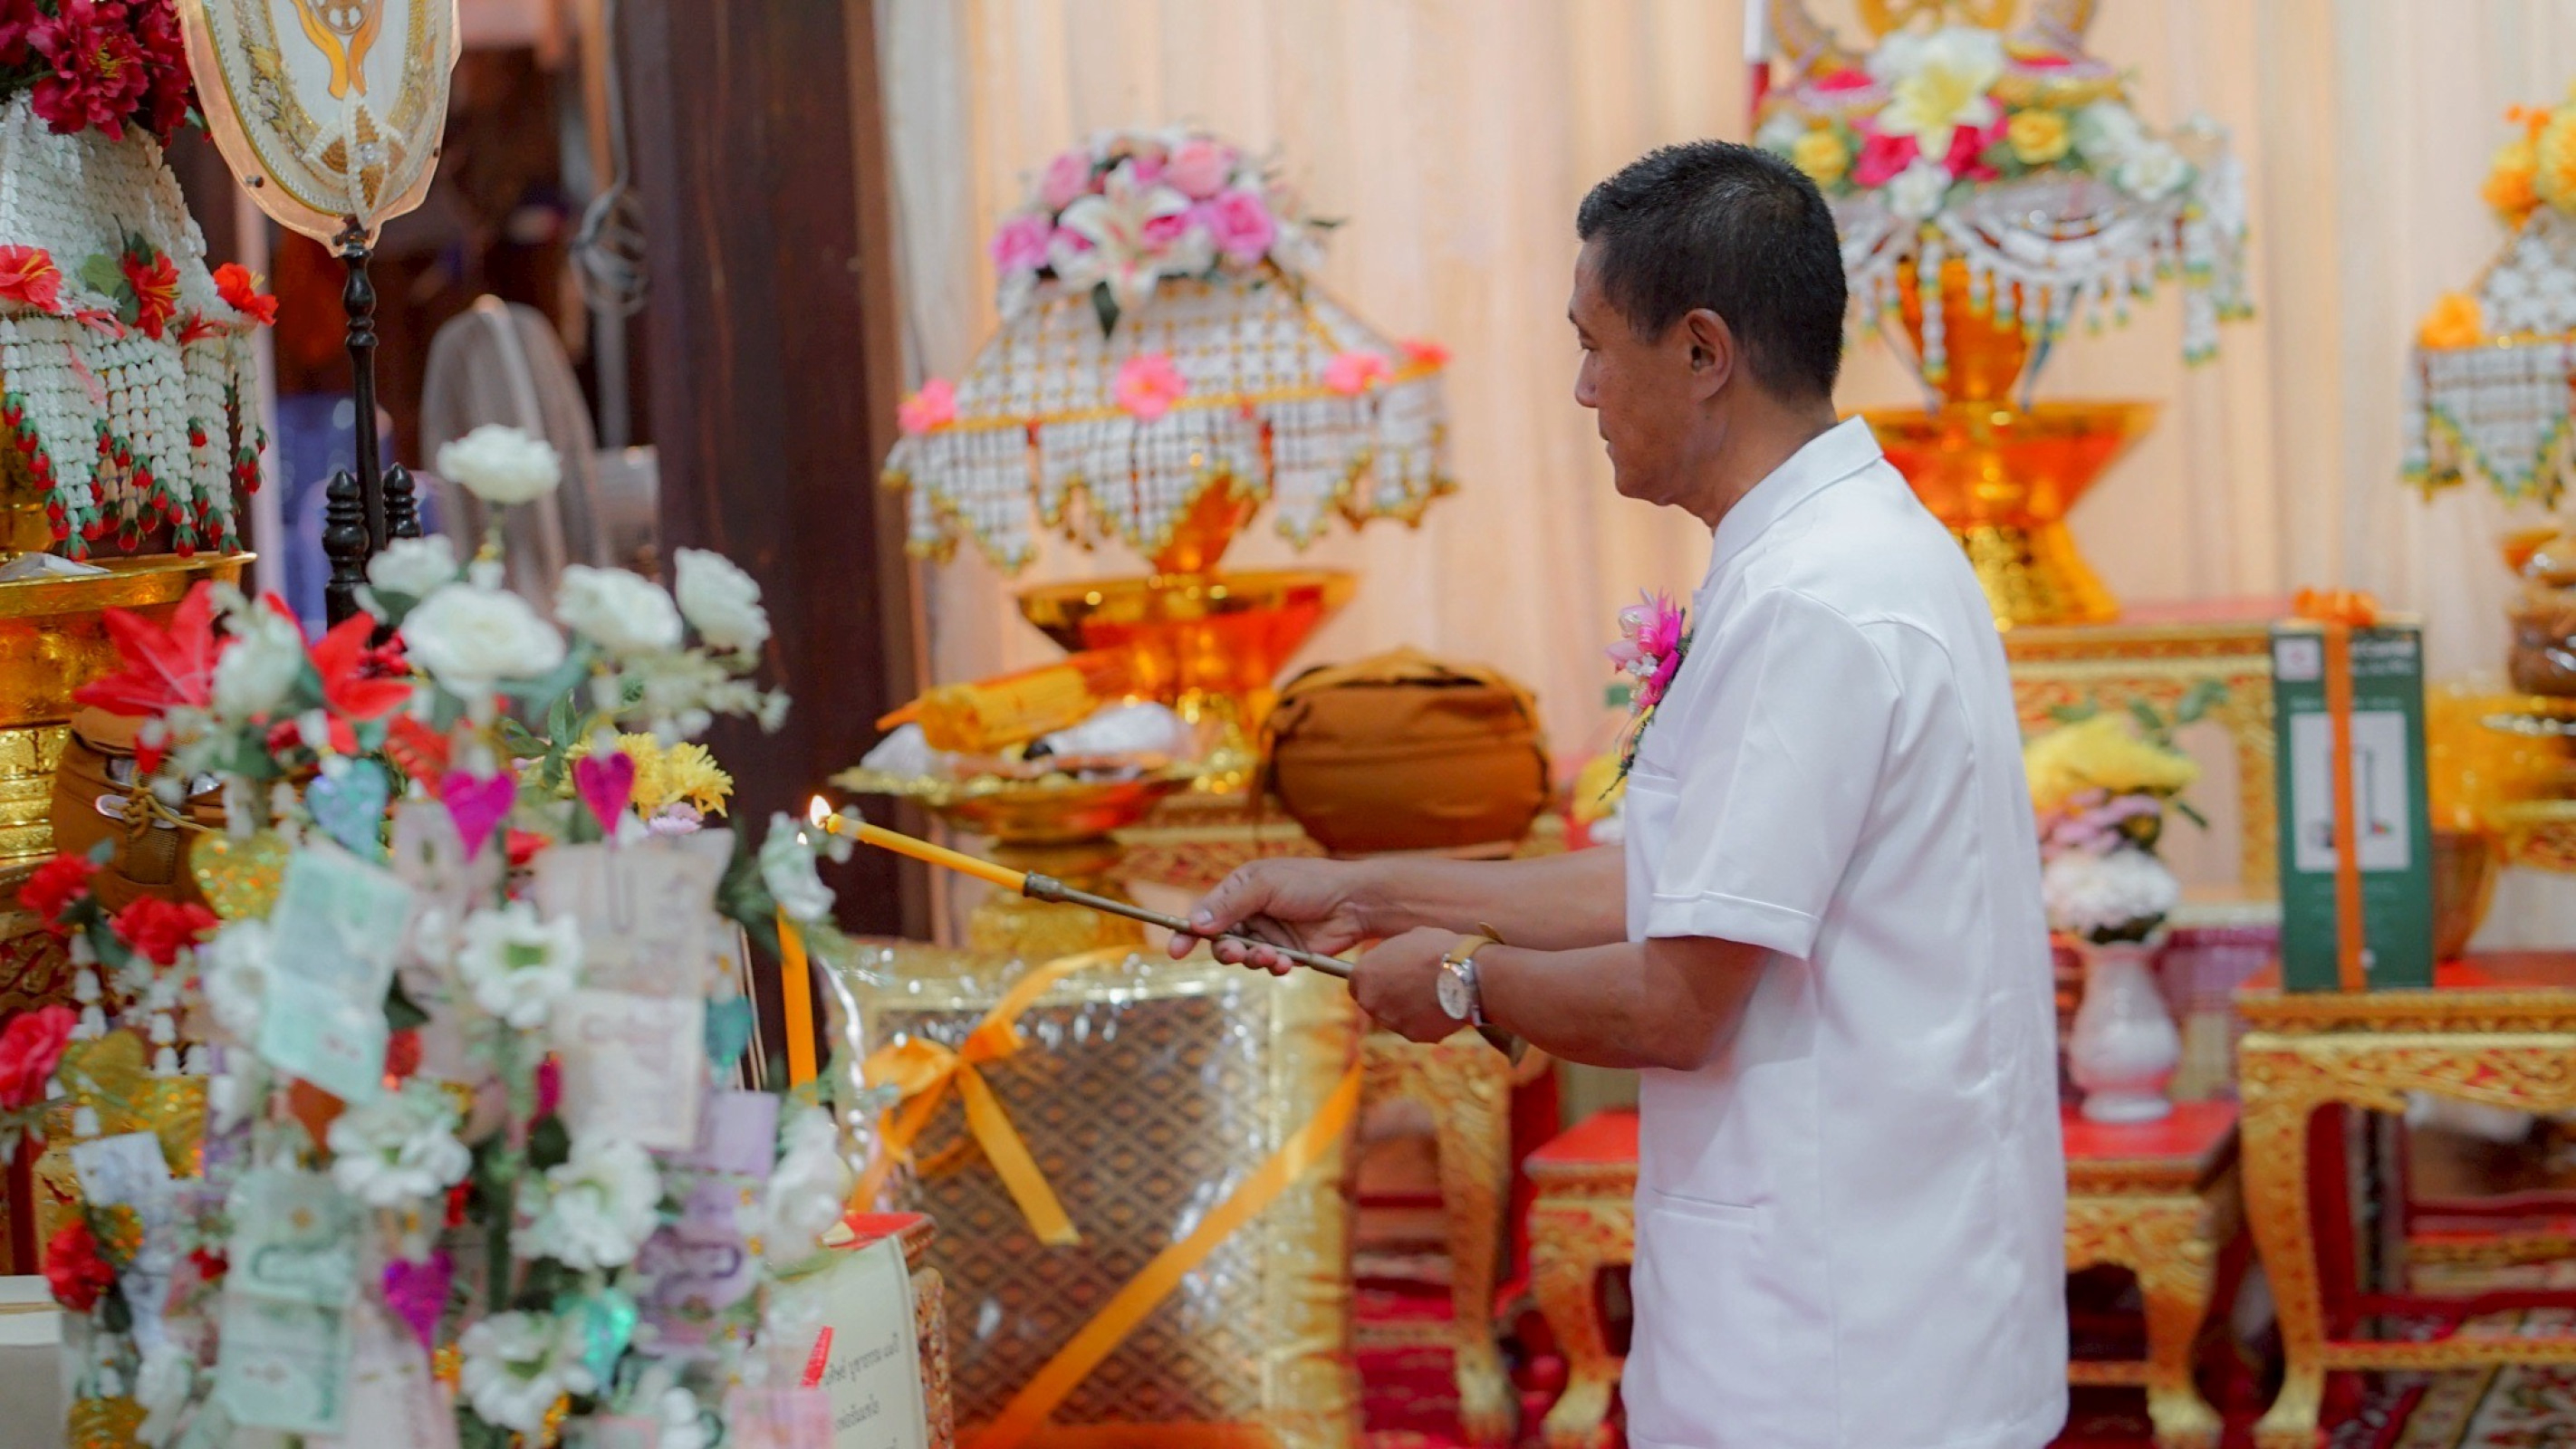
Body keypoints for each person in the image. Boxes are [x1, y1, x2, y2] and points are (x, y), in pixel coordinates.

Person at [1173, 141, 2067, 1449]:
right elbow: (1682, 884)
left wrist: (1462, 981)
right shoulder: (1846, 549)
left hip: (1835, 1345)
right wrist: (1361, 893)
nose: (1584, 390)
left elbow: (1681, 998)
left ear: (1703, 351)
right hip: (1881, 1300)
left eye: (1595, 345)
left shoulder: (1814, 602)